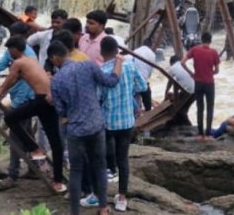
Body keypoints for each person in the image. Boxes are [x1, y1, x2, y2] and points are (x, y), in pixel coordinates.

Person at [0, 37, 66, 192]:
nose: (9, 54)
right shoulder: (31, 59)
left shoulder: (18, 63)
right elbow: (15, 83)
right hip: (50, 100)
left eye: (9, 50)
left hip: (40, 100)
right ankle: (58, 181)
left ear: (15, 50)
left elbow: (4, 86)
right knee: (55, 142)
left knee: (10, 118)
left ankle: (34, 148)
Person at [48, 40, 121, 215]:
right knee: (99, 165)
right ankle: (103, 208)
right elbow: (111, 81)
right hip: (96, 124)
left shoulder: (56, 79)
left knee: (76, 170)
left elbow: (60, 110)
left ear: (55, 57)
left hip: (75, 129)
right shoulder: (88, 66)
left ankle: (75, 212)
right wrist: (118, 62)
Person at [0, 24, 36, 191]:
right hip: (27, 98)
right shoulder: (22, 51)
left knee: (16, 137)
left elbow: (3, 79)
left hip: (23, 98)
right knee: (28, 136)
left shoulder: (21, 56)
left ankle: (12, 175)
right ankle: (33, 168)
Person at [99, 36, 146, 212]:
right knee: (123, 159)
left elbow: (98, 97)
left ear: (101, 52)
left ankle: (100, 193)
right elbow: (142, 86)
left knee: (102, 157)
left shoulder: (102, 70)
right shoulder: (129, 65)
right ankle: (122, 198)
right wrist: (128, 91)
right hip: (127, 120)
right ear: (117, 51)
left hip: (108, 121)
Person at [182, 32, 221, 139]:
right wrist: (210, 73)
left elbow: (182, 62)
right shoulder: (214, 52)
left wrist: (191, 73)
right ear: (210, 40)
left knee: (200, 108)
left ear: (201, 39)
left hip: (198, 82)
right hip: (209, 83)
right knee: (210, 108)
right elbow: (217, 70)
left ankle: (200, 133)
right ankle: (208, 134)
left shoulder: (195, 50)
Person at [131, 39, 157, 111]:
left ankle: (136, 111)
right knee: (147, 95)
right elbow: (150, 70)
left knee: (135, 97)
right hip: (143, 80)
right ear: (151, 46)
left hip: (133, 79)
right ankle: (148, 110)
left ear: (142, 44)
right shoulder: (152, 54)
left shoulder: (135, 51)